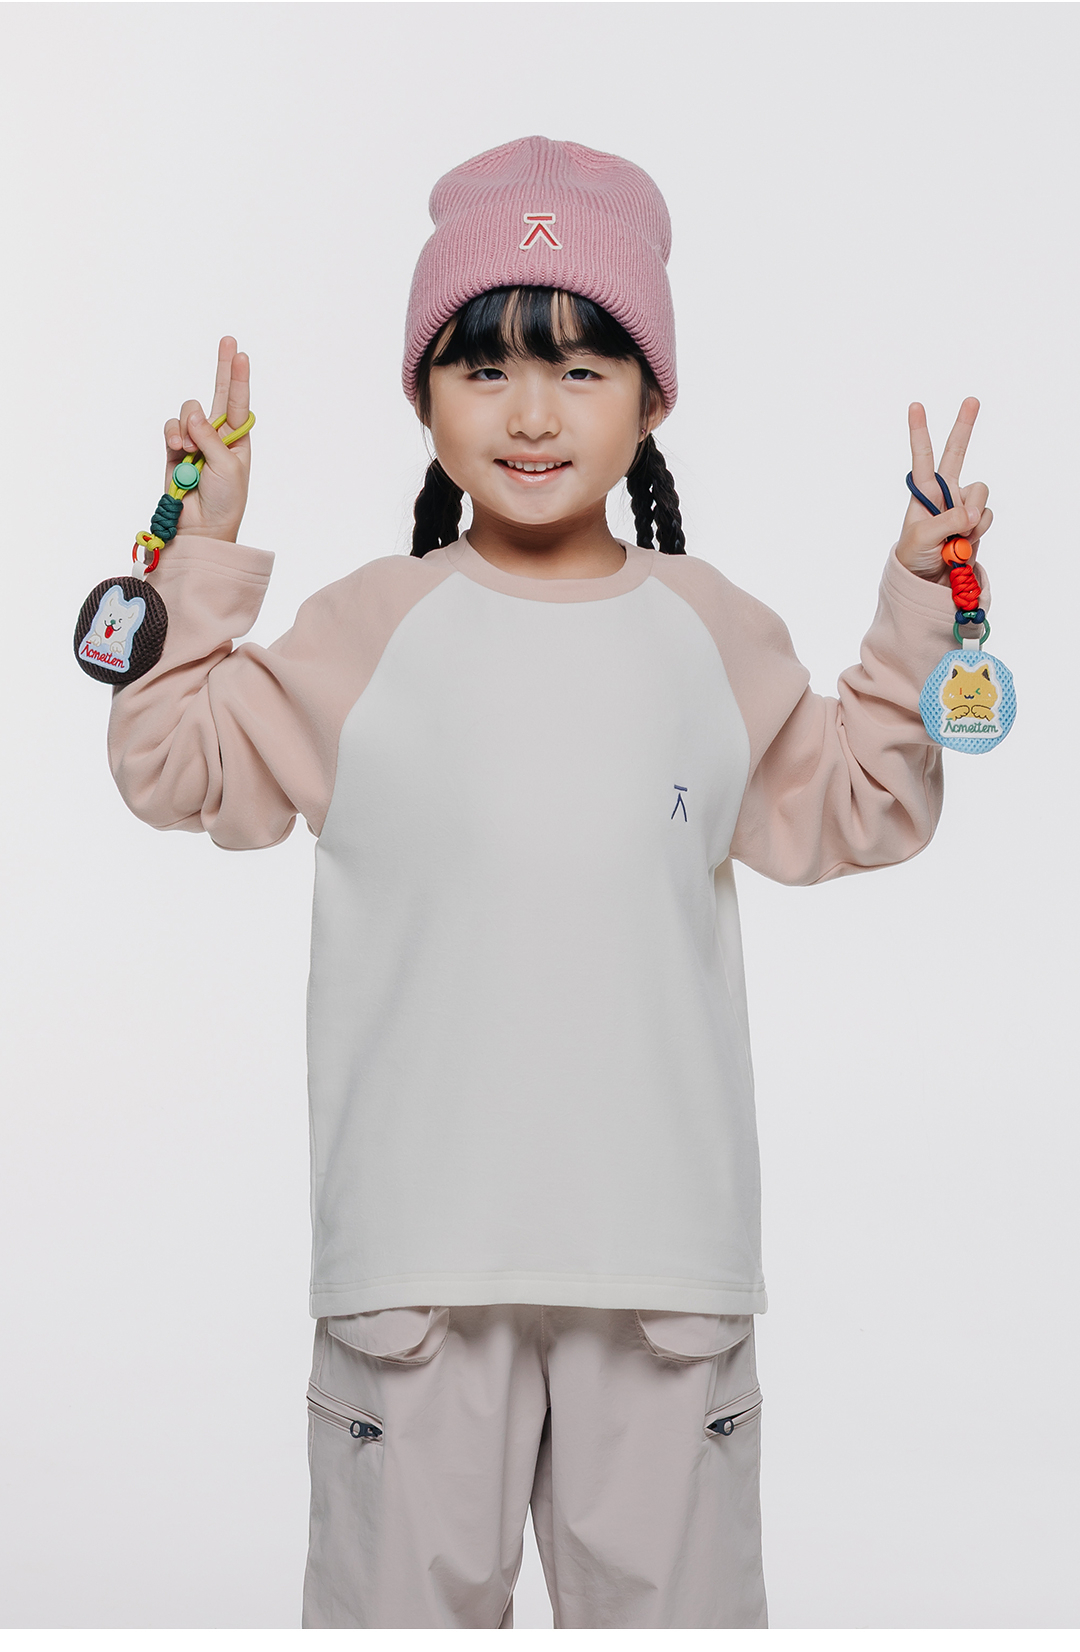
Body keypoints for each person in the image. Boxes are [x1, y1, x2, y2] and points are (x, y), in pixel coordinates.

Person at [104, 135, 992, 1629]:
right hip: (414, 1272)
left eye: (583, 369)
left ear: (653, 401)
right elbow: (168, 763)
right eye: (486, 369)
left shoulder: (712, 631)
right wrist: (202, 543)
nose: (531, 413)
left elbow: (867, 801)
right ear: (424, 398)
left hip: (663, 1273)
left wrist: (920, 599)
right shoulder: (363, 631)